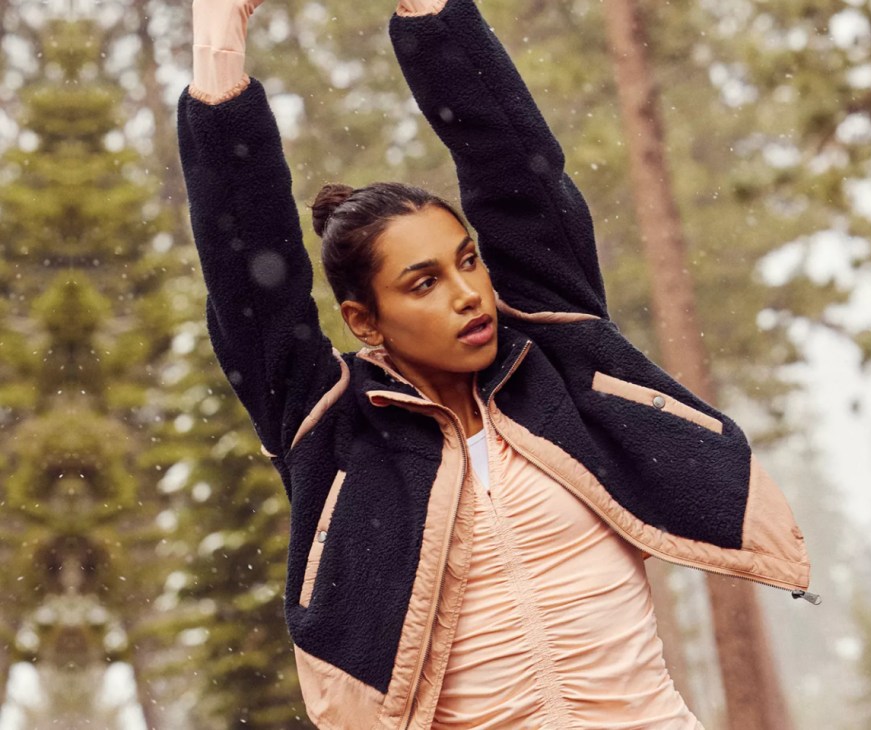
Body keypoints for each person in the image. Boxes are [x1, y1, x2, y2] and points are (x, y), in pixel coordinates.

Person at [177, 0, 816, 727]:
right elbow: (244, 274)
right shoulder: (331, 430)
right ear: (363, 321)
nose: (468, 295)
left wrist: (427, 11)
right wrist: (219, 30)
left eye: (468, 261)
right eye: (423, 283)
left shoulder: (556, 360)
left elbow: (514, 166)